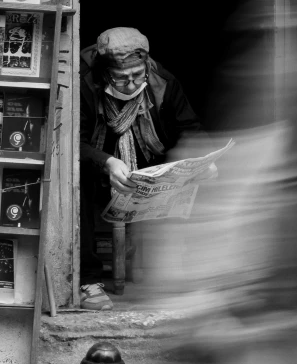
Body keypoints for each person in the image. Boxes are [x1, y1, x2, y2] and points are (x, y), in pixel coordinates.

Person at [80, 26, 204, 311]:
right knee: (76, 183)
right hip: (102, 169)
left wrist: (199, 161)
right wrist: (107, 162)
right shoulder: (85, 83)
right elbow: (74, 142)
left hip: (147, 166)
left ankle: (184, 274)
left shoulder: (162, 81)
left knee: (195, 178)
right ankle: (89, 281)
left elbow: (188, 129)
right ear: (104, 73)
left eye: (139, 75)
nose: (132, 83)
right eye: (122, 78)